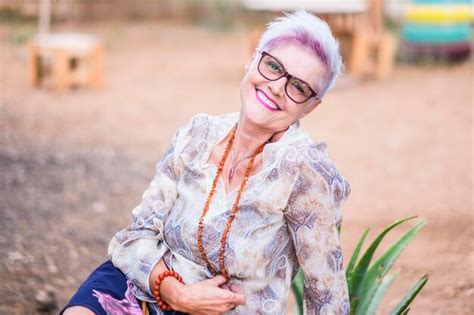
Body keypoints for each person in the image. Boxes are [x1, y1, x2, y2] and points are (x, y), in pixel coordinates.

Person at [62, 10, 351, 315]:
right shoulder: (198, 135)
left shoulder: (306, 172)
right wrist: (176, 293)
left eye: (299, 87)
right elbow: (135, 237)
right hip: (150, 286)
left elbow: (326, 297)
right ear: (252, 60)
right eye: (273, 66)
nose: (277, 86)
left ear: (311, 107)